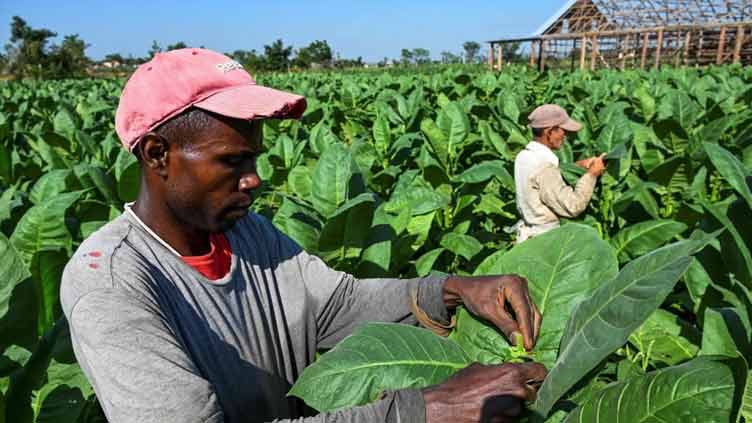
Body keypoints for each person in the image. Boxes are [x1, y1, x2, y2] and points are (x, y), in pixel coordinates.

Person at [60, 48, 546, 423]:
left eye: (253, 158)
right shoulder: (110, 284)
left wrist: (449, 290)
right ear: (157, 154)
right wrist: (418, 410)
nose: (253, 179)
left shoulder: (247, 233)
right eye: (232, 161)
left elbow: (338, 305)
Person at [512, 104, 606, 244]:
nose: (565, 136)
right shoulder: (544, 167)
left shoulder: (524, 156)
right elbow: (573, 206)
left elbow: (542, 182)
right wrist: (592, 174)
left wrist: (579, 166)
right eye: (563, 131)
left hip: (529, 235)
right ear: (549, 131)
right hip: (545, 242)